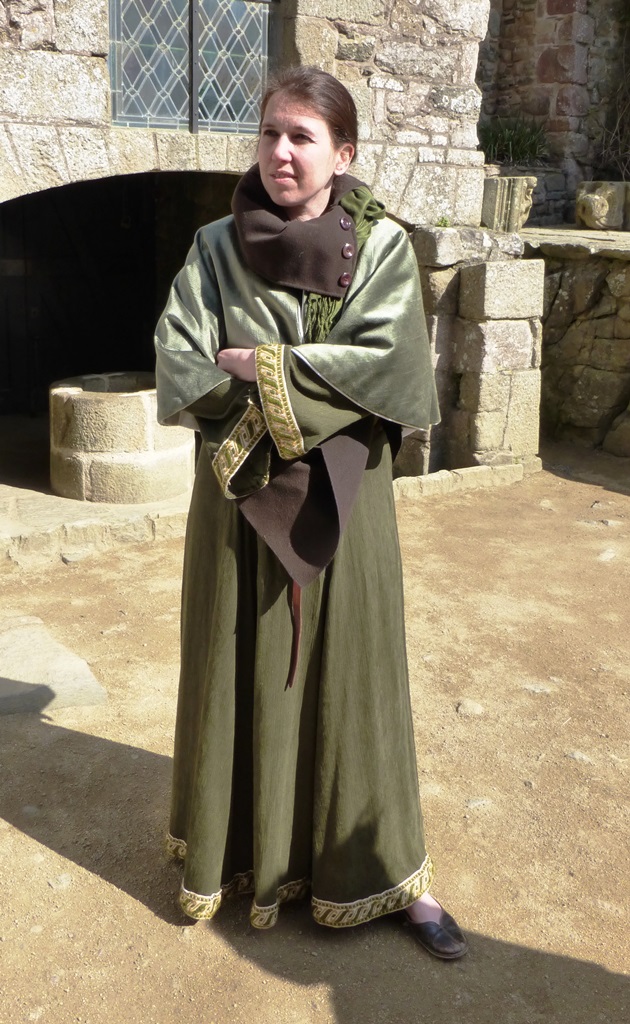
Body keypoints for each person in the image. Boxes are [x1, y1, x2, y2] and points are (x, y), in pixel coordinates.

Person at [154, 66, 467, 960]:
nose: (281, 153)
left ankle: (389, 872)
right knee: (237, 665)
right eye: (270, 133)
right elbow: (181, 357)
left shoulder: (383, 249)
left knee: (355, 680)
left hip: (349, 499)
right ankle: (242, 858)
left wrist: (264, 365)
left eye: (302, 137)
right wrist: (297, 382)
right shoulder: (215, 247)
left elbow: (393, 368)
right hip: (237, 497)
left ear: (343, 153)